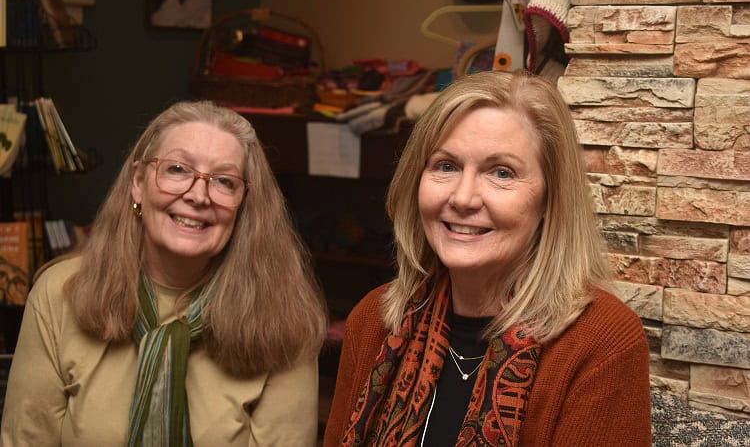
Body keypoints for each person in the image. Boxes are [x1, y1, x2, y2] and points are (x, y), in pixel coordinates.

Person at [324, 71, 652, 446]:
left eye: (501, 172)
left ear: (549, 199)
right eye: (445, 166)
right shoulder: (374, 319)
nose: (463, 198)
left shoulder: (601, 343)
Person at [1, 101, 328, 446]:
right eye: (177, 169)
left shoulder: (285, 318)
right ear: (139, 182)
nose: (199, 195)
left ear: (245, 203)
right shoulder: (60, 293)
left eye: (224, 181)